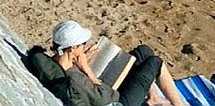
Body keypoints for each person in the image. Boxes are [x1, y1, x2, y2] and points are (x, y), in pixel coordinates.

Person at [47, 21, 187, 106]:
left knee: (143, 52)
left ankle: (154, 98)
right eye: (82, 44)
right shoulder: (73, 80)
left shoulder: (59, 62)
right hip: (119, 101)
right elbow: (102, 99)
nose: (84, 46)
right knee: (154, 62)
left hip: (107, 91)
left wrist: (84, 61)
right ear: (72, 48)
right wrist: (87, 69)